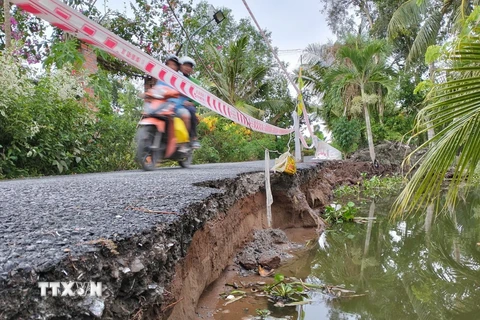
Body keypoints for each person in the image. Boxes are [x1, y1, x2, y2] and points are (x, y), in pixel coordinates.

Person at [150, 54, 191, 135]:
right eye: (169, 64)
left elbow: (186, 94)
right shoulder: (161, 77)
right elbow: (157, 90)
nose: (171, 67)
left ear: (178, 67)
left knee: (186, 116)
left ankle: (186, 142)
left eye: (174, 65)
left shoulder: (182, 79)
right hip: (162, 106)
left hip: (176, 107)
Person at [178, 56, 201, 149]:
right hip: (174, 103)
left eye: (190, 66)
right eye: (185, 65)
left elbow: (198, 98)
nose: (188, 68)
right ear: (180, 66)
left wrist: (191, 103)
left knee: (191, 111)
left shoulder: (195, 82)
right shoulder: (173, 77)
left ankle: (193, 138)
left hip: (186, 106)